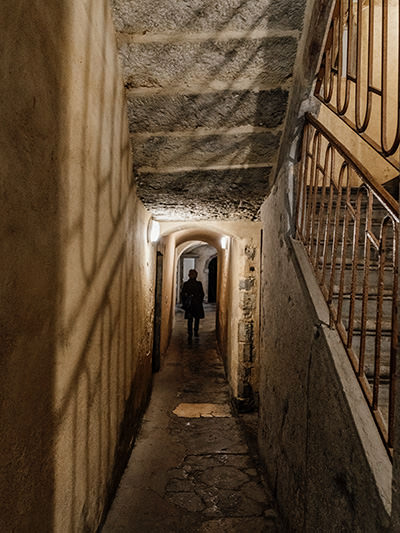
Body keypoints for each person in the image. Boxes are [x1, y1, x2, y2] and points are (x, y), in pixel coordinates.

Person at [181, 269, 205, 339]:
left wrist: (185, 302)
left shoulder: (187, 284)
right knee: (194, 319)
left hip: (192, 304)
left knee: (191, 319)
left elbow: (183, 294)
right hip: (194, 304)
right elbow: (202, 294)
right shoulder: (198, 284)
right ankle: (193, 332)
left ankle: (191, 332)